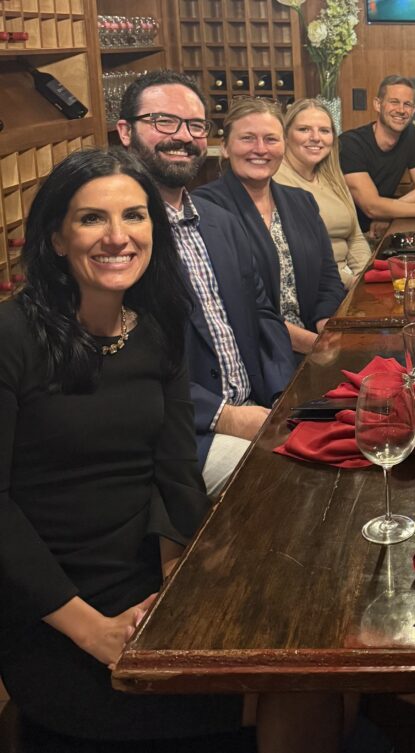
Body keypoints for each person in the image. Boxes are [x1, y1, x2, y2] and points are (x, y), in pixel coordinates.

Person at [0, 148, 251, 750]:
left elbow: (174, 470)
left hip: (143, 578)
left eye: (134, 217)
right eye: (92, 219)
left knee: (314, 670)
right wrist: (97, 632)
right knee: (295, 695)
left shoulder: (156, 327)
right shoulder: (11, 336)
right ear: (56, 237)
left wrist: (173, 583)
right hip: (51, 605)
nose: (118, 237)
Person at [116, 70, 293, 498]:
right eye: (163, 121)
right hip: (177, 435)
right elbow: (123, 362)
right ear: (125, 131)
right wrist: (224, 416)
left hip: (254, 408)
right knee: (291, 485)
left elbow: (263, 316)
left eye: (195, 125)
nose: (182, 137)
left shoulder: (220, 223)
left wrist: (283, 396)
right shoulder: (118, 239)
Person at [193, 97, 346, 357]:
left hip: (312, 345)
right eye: (248, 138)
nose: (261, 149)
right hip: (254, 357)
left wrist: (324, 324)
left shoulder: (301, 200)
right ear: (226, 147)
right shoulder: (206, 208)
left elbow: (328, 277)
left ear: (283, 147)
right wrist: (312, 345)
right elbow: (236, 305)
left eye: (271, 139)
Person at [275, 97, 372, 289]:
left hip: (350, 283)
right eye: (304, 129)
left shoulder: (333, 176)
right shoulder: (276, 180)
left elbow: (355, 237)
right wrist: (349, 282)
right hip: (312, 288)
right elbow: (297, 254)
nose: (316, 138)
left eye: (324, 131)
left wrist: (364, 278)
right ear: (285, 135)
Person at [340, 74, 415, 237]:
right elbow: (371, 206)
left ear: (413, 110)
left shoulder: (410, 135)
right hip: (349, 234)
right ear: (378, 104)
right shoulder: (350, 144)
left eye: (407, 104)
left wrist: (389, 214)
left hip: (382, 231)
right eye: (394, 102)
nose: (401, 110)